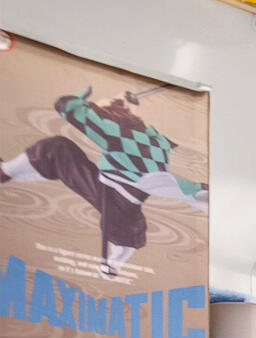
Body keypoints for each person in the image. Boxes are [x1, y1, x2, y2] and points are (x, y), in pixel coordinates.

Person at [2, 87, 209, 277]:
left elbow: (70, 110)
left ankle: (6, 171)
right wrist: (116, 103)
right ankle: (113, 264)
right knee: (59, 150)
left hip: (116, 194)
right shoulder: (157, 141)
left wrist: (92, 102)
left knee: (58, 150)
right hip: (119, 192)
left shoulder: (119, 134)